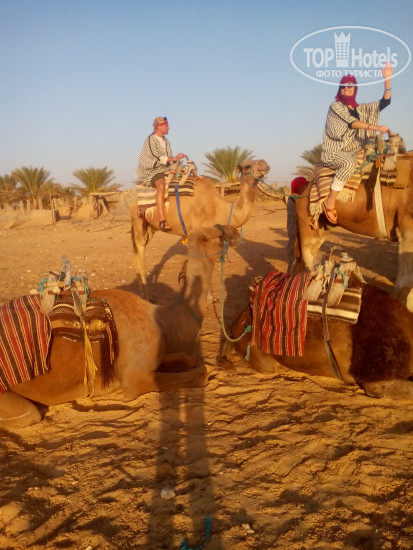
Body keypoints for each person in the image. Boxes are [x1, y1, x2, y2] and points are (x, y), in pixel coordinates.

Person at [321, 63, 392, 224]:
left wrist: (387, 80)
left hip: (356, 149)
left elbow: (385, 102)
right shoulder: (335, 106)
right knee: (348, 164)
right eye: (343, 87)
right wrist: (375, 127)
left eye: (349, 86)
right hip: (336, 151)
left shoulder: (362, 109)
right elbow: (352, 123)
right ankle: (330, 201)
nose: (346, 89)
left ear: (355, 88)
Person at [136, 116, 187, 231]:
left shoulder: (166, 141)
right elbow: (157, 158)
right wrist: (175, 158)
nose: (168, 127)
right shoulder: (151, 140)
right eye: (166, 125)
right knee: (161, 184)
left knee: (184, 175)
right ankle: (162, 219)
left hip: (163, 169)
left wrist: (175, 165)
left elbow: (169, 159)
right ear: (158, 127)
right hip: (151, 170)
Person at [287, 176, 308, 272]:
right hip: (295, 234)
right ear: (299, 187)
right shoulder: (295, 199)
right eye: (305, 185)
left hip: (298, 233)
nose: (306, 187)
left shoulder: (295, 198)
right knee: (295, 259)